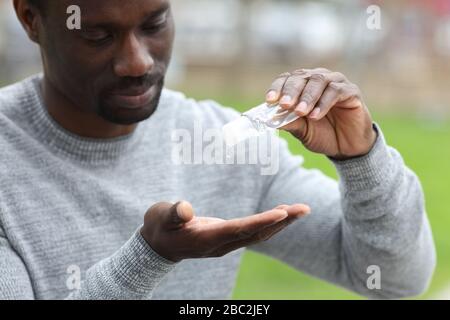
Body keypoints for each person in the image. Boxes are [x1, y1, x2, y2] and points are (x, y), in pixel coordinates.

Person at [0, 0, 436, 300]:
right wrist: (148, 258)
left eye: (153, 24)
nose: (137, 62)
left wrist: (361, 158)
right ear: (30, 18)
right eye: (98, 34)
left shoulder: (220, 140)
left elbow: (396, 280)